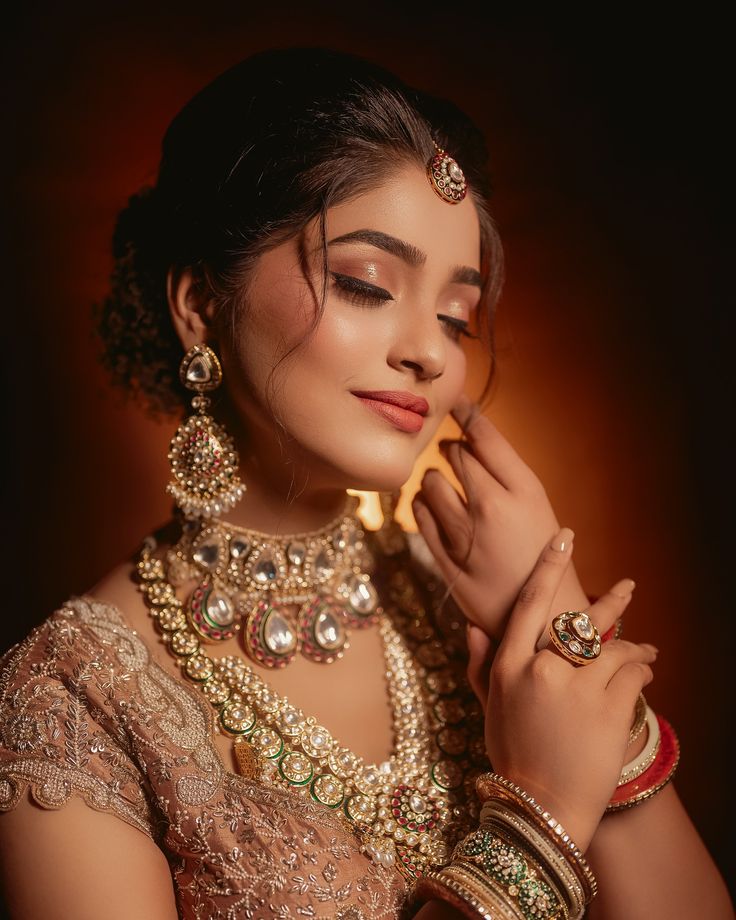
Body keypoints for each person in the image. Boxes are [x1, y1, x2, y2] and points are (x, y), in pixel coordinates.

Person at [0, 47, 731, 920]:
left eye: (456, 316)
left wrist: (548, 606)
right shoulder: (72, 701)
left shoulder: (466, 594)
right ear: (201, 304)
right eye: (365, 283)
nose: (430, 351)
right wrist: (540, 817)